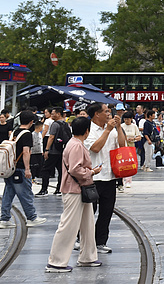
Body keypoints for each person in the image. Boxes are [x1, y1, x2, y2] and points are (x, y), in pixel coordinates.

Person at [45, 116, 103, 273]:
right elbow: (75, 169)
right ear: (87, 131)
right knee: (68, 226)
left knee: (87, 224)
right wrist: (92, 171)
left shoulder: (74, 143)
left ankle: (88, 257)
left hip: (79, 189)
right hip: (74, 190)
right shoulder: (76, 146)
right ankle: (56, 262)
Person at [84, 102, 127, 254]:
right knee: (89, 212)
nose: (109, 114)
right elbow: (95, 148)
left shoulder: (113, 130)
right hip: (93, 177)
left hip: (110, 175)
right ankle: (82, 239)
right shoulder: (87, 129)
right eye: (106, 111)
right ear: (97, 114)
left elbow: (122, 145)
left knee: (106, 211)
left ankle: (101, 241)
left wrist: (119, 127)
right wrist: (108, 130)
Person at [0, 110, 47, 229]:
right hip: (20, 168)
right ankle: (32, 217)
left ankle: (4, 219)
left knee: (8, 193)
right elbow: (26, 152)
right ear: (31, 122)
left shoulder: (15, 132)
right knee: (25, 193)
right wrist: (27, 169)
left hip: (10, 167)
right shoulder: (27, 134)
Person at [39, 106, 68, 196]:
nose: (52, 115)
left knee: (45, 170)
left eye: (53, 113)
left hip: (53, 150)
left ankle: (44, 189)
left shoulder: (55, 124)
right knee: (60, 170)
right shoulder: (65, 124)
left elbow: (51, 137)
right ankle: (59, 189)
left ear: (58, 114)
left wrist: (47, 149)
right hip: (62, 150)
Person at [120, 112, 141, 188]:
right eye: (125, 119)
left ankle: (128, 181)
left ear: (131, 119)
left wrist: (133, 139)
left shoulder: (134, 126)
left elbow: (139, 137)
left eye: (128, 119)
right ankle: (121, 181)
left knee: (130, 164)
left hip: (131, 146)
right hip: (122, 146)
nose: (126, 120)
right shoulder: (121, 126)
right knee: (122, 164)